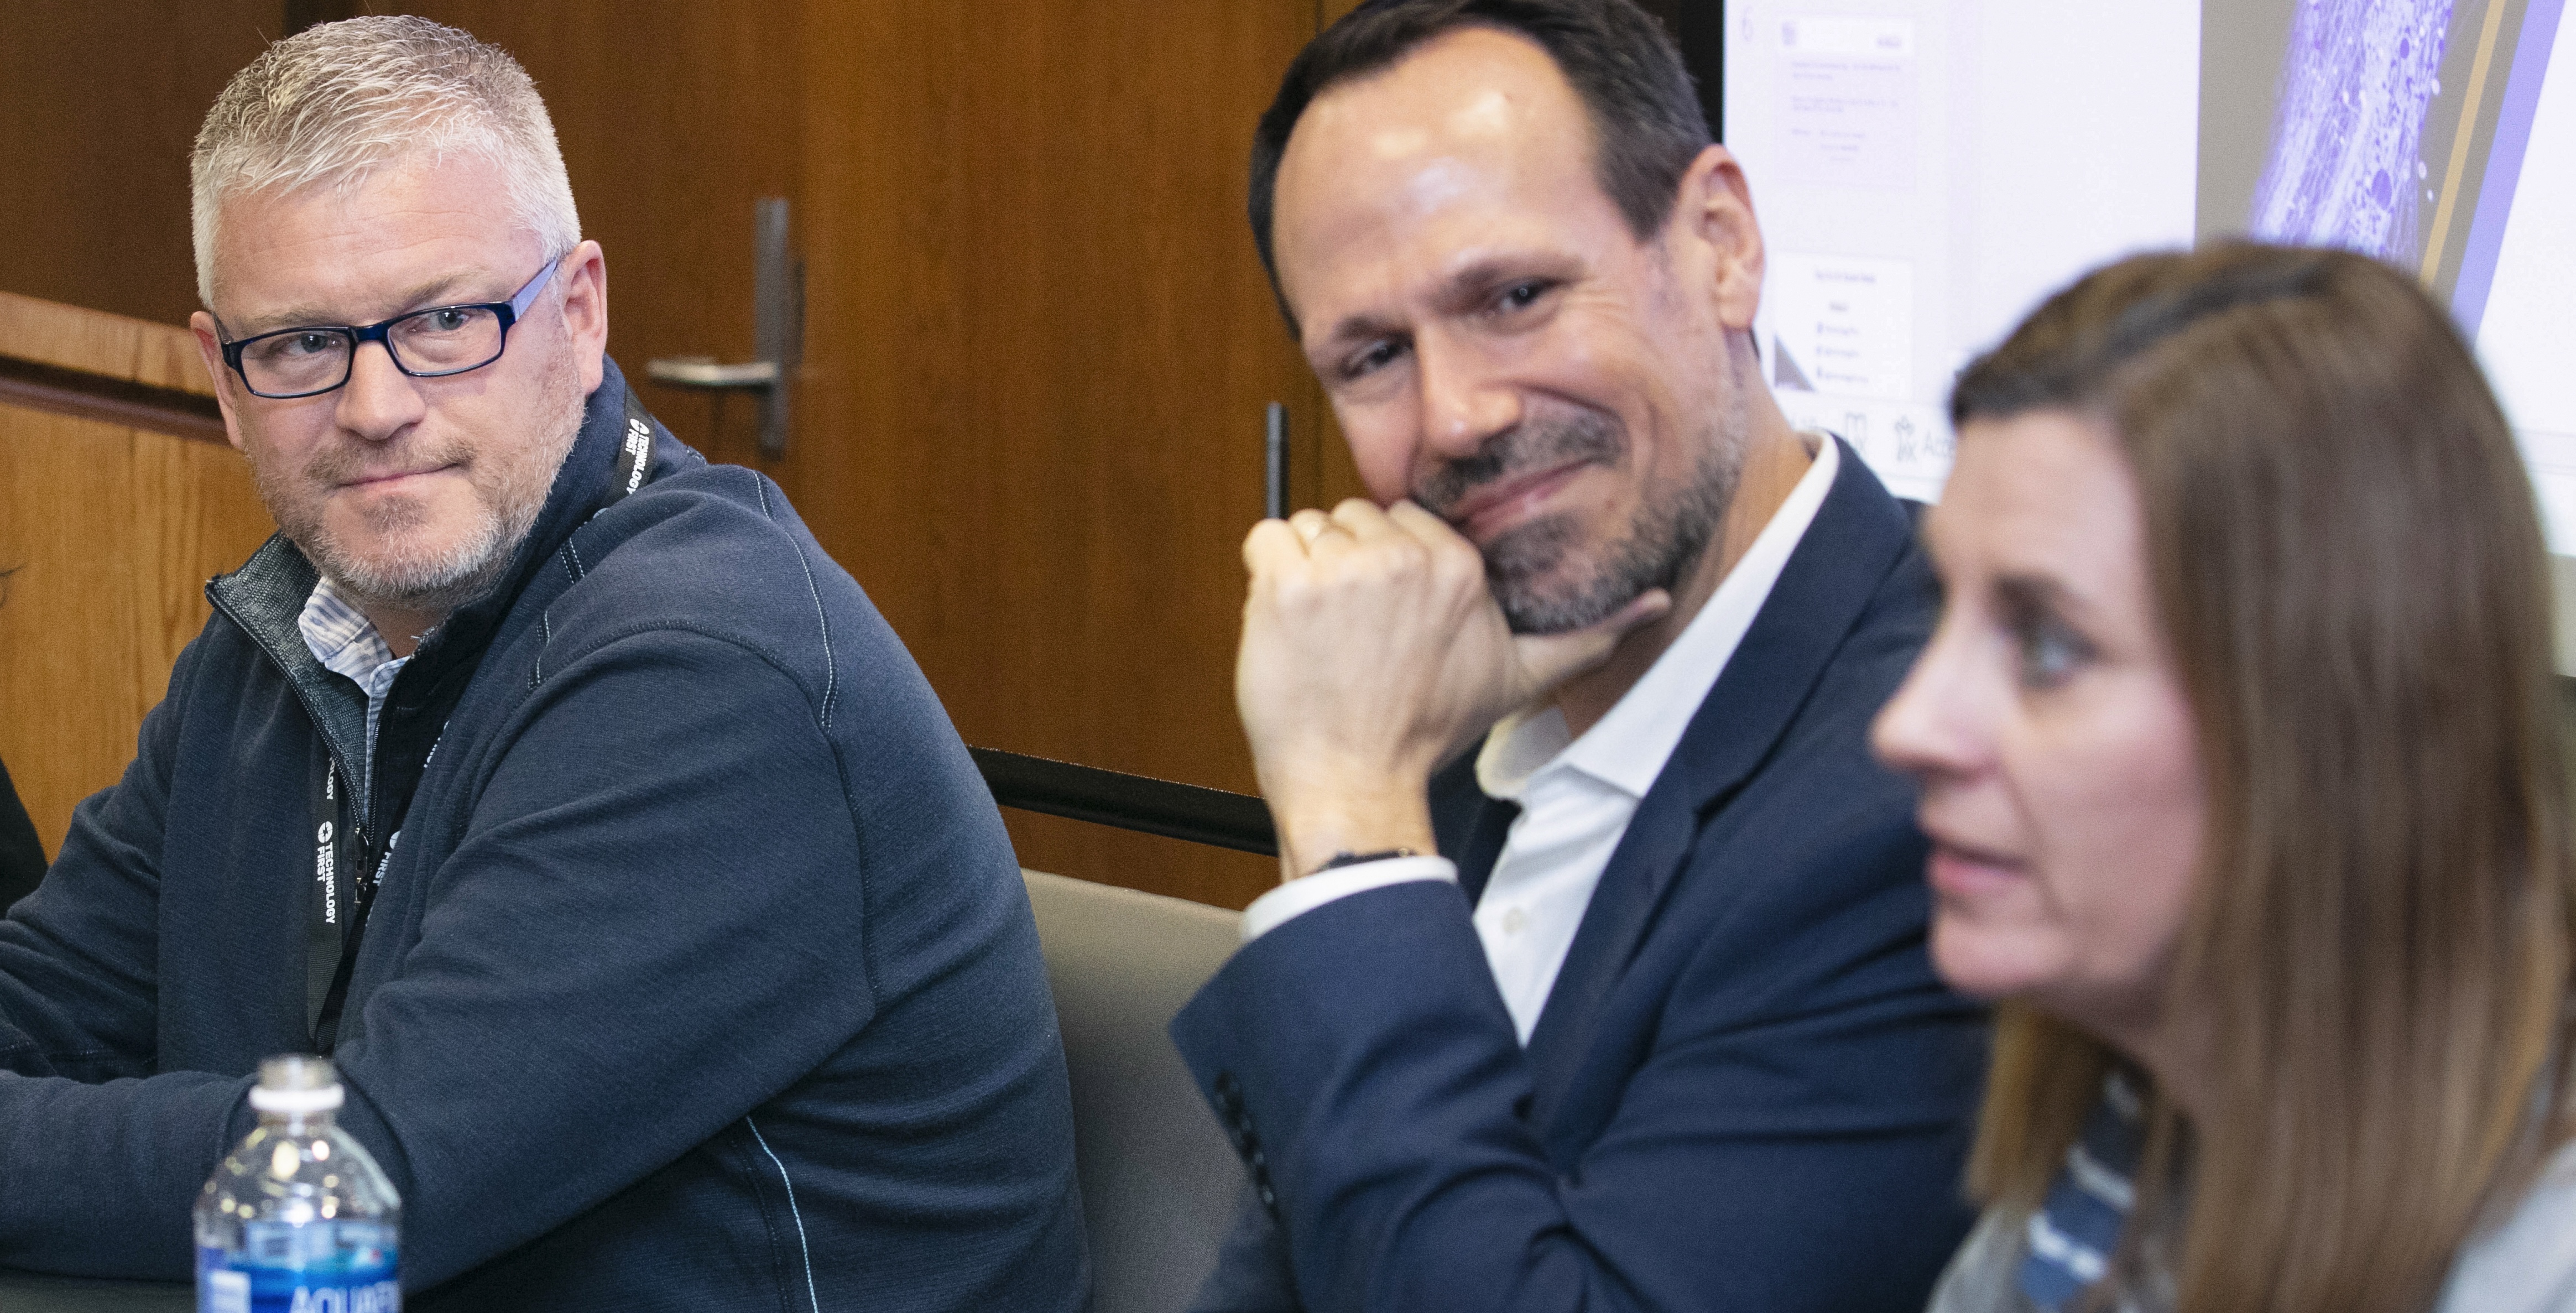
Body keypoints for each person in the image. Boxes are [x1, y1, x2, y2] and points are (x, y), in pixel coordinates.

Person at [0, 18, 1087, 1307]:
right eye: (299, 345)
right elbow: (44, 1003)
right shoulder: (291, 630)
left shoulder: (712, 671)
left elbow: (369, 1182)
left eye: (445, 319)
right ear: (223, 383)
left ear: (578, 313)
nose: (375, 406)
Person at [1166, 1, 1988, 1309]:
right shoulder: (1451, 712)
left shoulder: (1941, 784)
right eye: (1373, 357)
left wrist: (1347, 823)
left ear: (1720, 244)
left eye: (1514, 297)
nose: (1457, 415)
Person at [1874, 243, 2576, 1313]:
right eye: (1943, 612)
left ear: (2326, 722)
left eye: (2049, 649)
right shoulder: (2128, 1125)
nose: (1908, 726)